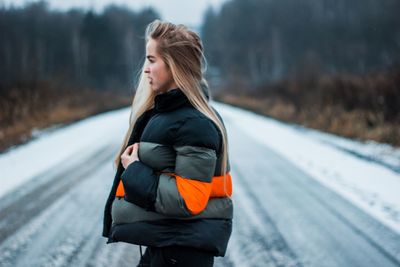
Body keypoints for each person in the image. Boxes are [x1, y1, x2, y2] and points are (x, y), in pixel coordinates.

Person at [102, 19, 233, 267]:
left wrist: (135, 170)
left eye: (152, 60)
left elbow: (188, 199)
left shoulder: (195, 123)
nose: (145, 69)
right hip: (167, 244)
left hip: (182, 252)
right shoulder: (168, 113)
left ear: (174, 66)